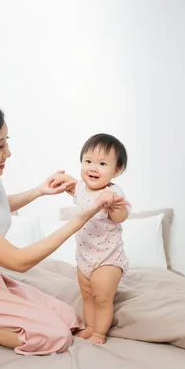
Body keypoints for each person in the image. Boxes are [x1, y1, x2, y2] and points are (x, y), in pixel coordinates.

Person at [0, 97, 126, 355]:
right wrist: (79, 218)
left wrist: (39, 191)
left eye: (7, 142)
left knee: (68, 318)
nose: (7, 153)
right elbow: (19, 261)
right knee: (55, 337)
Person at [67, 134, 131, 344]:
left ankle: (99, 333)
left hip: (107, 259)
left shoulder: (114, 193)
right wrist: (64, 183)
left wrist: (112, 205)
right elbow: (73, 190)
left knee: (102, 298)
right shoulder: (80, 187)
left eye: (102, 163)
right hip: (84, 257)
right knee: (87, 295)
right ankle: (90, 326)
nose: (93, 168)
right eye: (88, 161)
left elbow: (122, 216)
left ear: (116, 170)